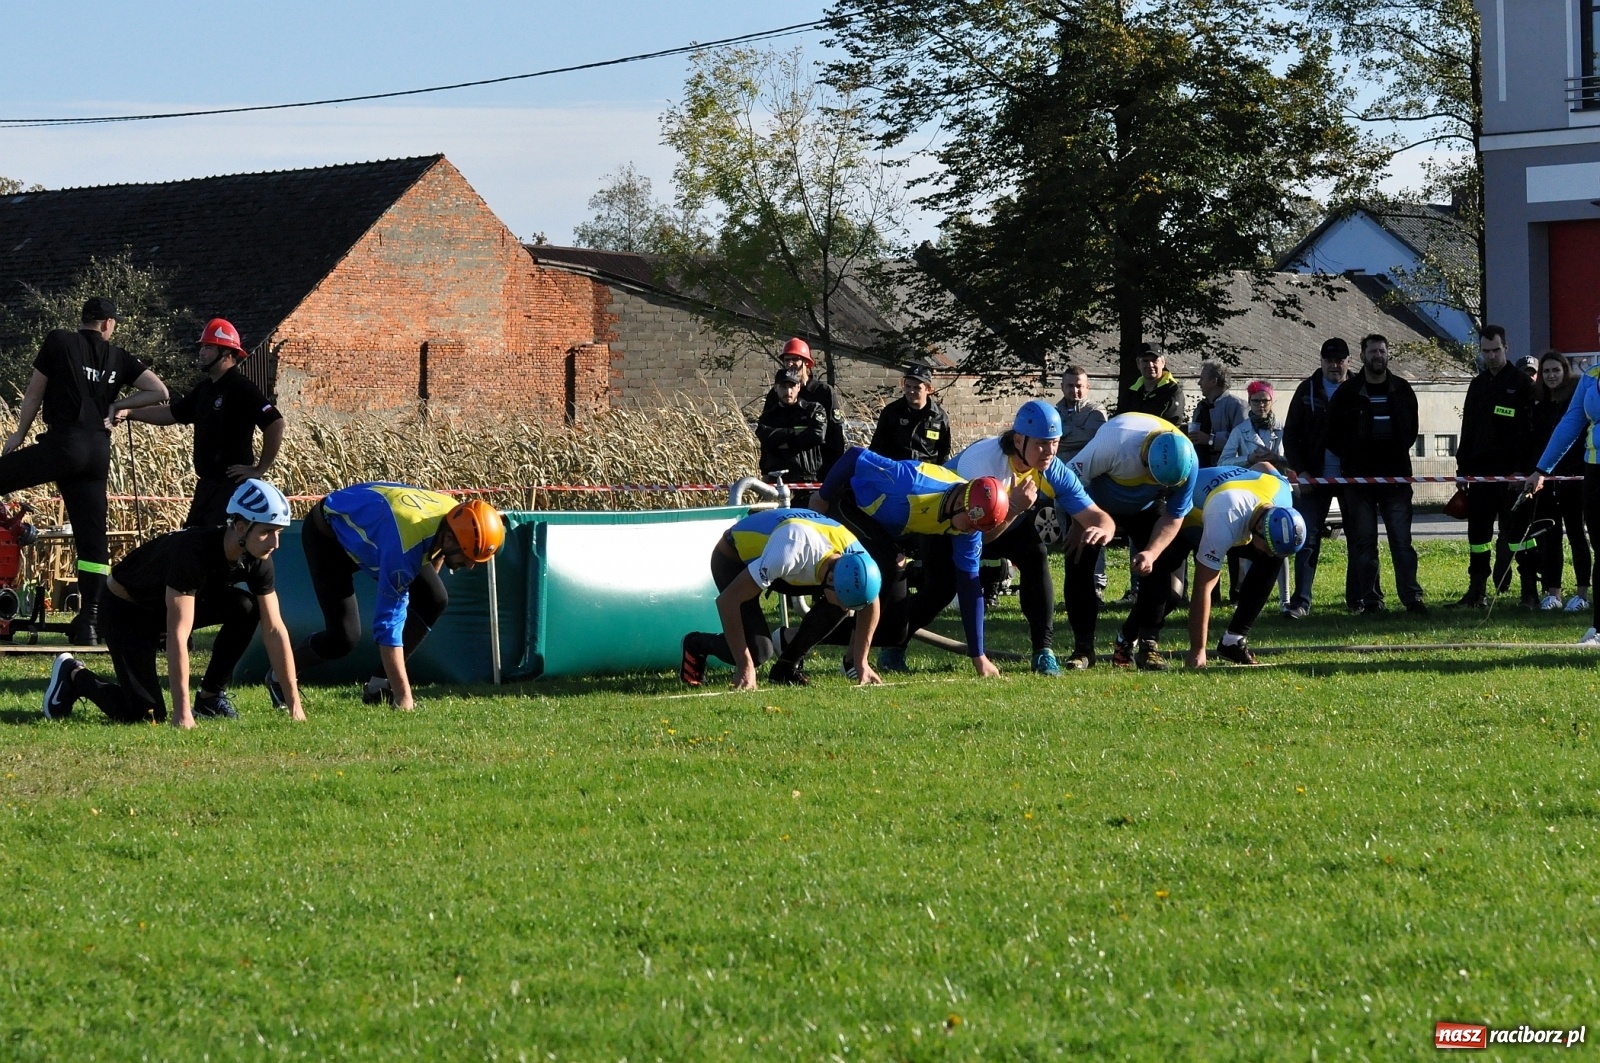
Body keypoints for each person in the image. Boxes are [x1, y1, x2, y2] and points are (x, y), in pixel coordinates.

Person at [41, 479, 304, 728]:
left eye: (278, 532)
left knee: (245, 608)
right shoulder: (192, 552)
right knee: (146, 714)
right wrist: (182, 713)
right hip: (127, 612)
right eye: (267, 532)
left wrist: (295, 707)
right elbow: (179, 633)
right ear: (241, 526)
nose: (275, 543)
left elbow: (274, 629)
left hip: (163, 607)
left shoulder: (259, 559)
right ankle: (74, 675)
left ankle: (210, 697)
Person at [0, 296, 168, 644]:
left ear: (87, 320)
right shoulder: (119, 357)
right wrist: (118, 405)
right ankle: (90, 620)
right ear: (108, 324)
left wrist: (19, 433)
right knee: (92, 540)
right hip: (97, 453)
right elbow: (159, 391)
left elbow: (33, 394)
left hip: (63, 446)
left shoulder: (59, 341)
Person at [281, 483, 505, 709]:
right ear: (449, 539)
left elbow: (436, 553)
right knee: (344, 638)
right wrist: (404, 697)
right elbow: (388, 625)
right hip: (329, 539)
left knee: (434, 598)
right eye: (468, 557)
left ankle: (377, 686)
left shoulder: (453, 516)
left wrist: (422, 588)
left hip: (379, 527)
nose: (470, 566)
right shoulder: (403, 551)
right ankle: (280, 675)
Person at [937, 401, 1118, 674]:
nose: (1049, 452)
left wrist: (1102, 529)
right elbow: (978, 540)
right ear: (1019, 440)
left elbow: (1098, 516)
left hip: (1005, 521)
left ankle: (1043, 651)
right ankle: (894, 647)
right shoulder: (984, 463)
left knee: (1036, 554)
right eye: (1042, 444)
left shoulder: (1050, 467)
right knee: (935, 592)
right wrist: (1014, 507)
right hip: (950, 526)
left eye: (1055, 443)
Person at [814, 446, 1009, 676]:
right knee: (883, 568)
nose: (970, 532)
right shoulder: (910, 482)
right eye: (970, 524)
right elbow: (855, 456)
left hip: (884, 532)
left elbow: (969, 584)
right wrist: (821, 497)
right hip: (849, 505)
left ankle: (790, 639)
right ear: (960, 503)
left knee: (895, 630)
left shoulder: (970, 525)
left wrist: (979, 656)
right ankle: (854, 661)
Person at [1110, 465, 1306, 670]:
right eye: (1267, 546)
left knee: (1271, 560)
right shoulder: (1227, 516)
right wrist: (1198, 651)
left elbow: (1264, 466)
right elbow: (1203, 587)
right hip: (1184, 521)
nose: (1267, 551)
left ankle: (1234, 640)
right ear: (1259, 528)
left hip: (1222, 506)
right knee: (1171, 593)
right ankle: (1129, 640)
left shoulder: (1283, 493)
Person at [679, 509, 882, 689]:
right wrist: (745, 666)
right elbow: (727, 602)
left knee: (836, 607)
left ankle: (786, 667)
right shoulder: (789, 551)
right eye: (844, 599)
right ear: (830, 578)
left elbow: (871, 601)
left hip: (795, 560)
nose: (848, 609)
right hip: (735, 558)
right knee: (759, 651)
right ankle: (697, 644)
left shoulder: (858, 560)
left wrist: (861, 661)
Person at [1063, 412, 1199, 670]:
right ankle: (1083, 648)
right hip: (1096, 503)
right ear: (1144, 459)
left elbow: (1173, 515)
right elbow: (1070, 481)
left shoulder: (1189, 461)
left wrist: (1151, 552)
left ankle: (1148, 644)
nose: (1151, 482)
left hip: (1148, 507)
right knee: (1079, 558)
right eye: (1151, 476)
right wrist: (1077, 522)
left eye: (1159, 483)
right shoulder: (1115, 443)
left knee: (1161, 565)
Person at [123, 317, 284, 528]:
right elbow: (172, 413)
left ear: (226, 353)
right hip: (207, 487)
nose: (201, 352)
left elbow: (276, 423)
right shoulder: (205, 390)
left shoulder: (241, 387)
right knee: (192, 543)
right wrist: (129, 412)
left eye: (208, 347)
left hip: (232, 487)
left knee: (217, 547)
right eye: (202, 347)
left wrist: (259, 469)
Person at [1325, 334, 1425, 614]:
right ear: (1362, 356)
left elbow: (1410, 431)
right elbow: (1332, 435)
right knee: (1364, 543)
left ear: (1387, 354)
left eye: (1382, 350)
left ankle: (1412, 598)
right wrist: (1355, 457)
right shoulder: (1347, 393)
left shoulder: (1403, 390)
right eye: (1372, 351)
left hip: (1397, 478)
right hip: (1359, 480)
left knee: (1402, 544)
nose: (1377, 356)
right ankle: (1371, 600)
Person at [1524, 330, 1600, 642]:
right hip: (1595, 472)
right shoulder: (1592, 376)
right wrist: (1542, 469)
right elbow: (1570, 423)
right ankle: (1598, 629)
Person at [1456, 325, 1537, 607]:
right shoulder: (1477, 385)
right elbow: (1467, 429)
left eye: (1496, 350)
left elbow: (1532, 433)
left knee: (1519, 537)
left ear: (1507, 348)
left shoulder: (1522, 384)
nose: (1491, 356)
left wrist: (1525, 471)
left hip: (1513, 477)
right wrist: (1462, 469)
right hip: (1479, 476)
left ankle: (1529, 592)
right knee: (1478, 537)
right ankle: (1476, 591)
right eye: (1486, 351)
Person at [1281, 337, 1356, 619]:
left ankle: (1358, 600)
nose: (1335, 366)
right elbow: (1291, 435)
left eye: (1340, 360)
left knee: (1359, 540)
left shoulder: (1359, 389)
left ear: (1349, 361)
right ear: (1321, 361)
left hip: (1353, 479)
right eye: (1329, 360)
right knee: (1306, 539)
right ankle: (1301, 602)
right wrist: (1300, 472)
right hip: (1313, 480)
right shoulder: (1306, 390)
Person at [1528, 350, 1590, 612]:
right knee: (1550, 538)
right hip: (1546, 482)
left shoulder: (1574, 404)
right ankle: (1554, 593)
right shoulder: (1538, 407)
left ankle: (1582, 594)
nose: (1551, 375)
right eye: (1546, 371)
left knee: (1577, 535)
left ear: (1565, 372)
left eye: (1556, 370)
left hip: (1574, 480)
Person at [759, 337, 845, 478]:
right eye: (786, 360)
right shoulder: (775, 394)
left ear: (806, 362)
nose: (790, 363)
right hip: (780, 470)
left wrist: (835, 473)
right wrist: (765, 470)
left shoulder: (823, 392)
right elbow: (765, 433)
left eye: (794, 359)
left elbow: (833, 436)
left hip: (817, 471)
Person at [755, 366, 827, 503]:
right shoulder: (769, 416)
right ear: (776, 388)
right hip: (776, 482)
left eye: (792, 386)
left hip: (807, 482)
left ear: (799, 387)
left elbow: (817, 435)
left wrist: (783, 441)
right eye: (783, 386)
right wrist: (798, 434)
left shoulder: (813, 409)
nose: (788, 391)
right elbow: (765, 438)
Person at [870, 363, 952, 464]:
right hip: (896, 471)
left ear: (929, 389)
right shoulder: (891, 412)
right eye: (908, 386)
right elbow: (876, 447)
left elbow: (944, 451)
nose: (911, 391)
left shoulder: (939, 416)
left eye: (917, 388)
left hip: (926, 473)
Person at [1188, 361, 1247, 468]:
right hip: (1199, 469)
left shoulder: (1238, 406)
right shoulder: (1201, 407)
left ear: (1213, 381)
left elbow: (1243, 442)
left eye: (1202, 378)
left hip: (1224, 473)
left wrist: (1210, 439)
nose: (1199, 383)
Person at [1220, 382, 1286, 467]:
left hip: (1276, 479)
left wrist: (1277, 459)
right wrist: (1248, 459)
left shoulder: (1282, 429)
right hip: (1251, 478)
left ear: (1271, 401)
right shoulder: (1240, 430)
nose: (1261, 405)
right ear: (1249, 402)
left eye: (1265, 401)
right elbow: (1223, 462)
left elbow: (1295, 462)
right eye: (1256, 401)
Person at [1117, 343, 1186, 424]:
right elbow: (1119, 421)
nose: (1150, 365)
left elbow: (1170, 425)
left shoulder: (1172, 391)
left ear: (1163, 362)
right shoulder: (1131, 393)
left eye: (1154, 360)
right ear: (1138, 363)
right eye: (1145, 361)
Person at [1055, 364, 1108, 463]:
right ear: (1062, 387)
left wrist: (1052, 443)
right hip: (1055, 471)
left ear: (1087, 387)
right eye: (1070, 386)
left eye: (1079, 386)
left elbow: (1089, 437)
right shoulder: (1054, 413)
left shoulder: (1095, 410)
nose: (1074, 390)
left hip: (1084, 472)